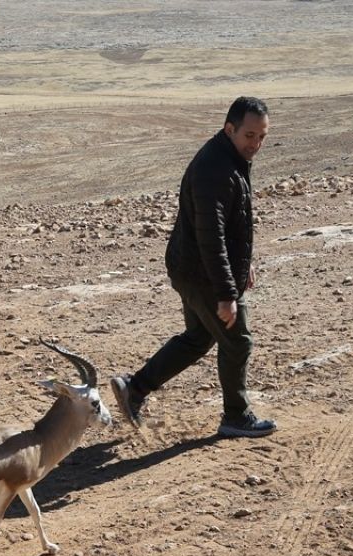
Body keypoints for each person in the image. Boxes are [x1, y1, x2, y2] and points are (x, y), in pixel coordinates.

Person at [110, 96, 276, 438]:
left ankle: (134, 388)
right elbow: (210, 236)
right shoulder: (215, 169)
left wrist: (244, 267)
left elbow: (231, 227)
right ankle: (236, 415)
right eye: (249, 135)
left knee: (198, 337)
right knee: (237, 342)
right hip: (201, 273)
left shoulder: (228, 157)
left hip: (192, 268)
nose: (256, 144)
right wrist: (227, 293)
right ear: (229, 129)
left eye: (262, 136)